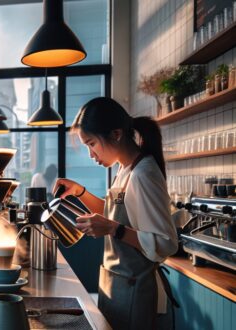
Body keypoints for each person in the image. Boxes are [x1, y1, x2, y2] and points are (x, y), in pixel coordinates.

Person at [53, 97, 178, 330]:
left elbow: (166, 243)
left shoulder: (144, 174)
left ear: (117, 134)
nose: (91, 154)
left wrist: (112, 229)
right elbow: (114, 213)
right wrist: (79, 192)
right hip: (117, 285)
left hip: (137, 292)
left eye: (91, 143)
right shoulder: (124, 168)